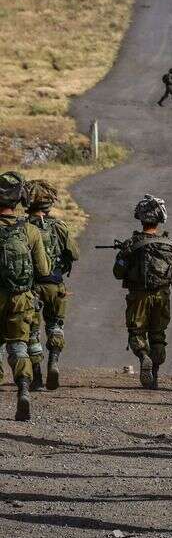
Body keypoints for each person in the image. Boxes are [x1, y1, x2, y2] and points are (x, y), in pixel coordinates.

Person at [112, 195, 172, 389]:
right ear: (160, 220)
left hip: (138, 296)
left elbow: (118, 273)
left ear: (141, 218)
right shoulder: (169, 245)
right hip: (162, 296)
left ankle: (143, 356)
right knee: (158, 334)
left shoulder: (131, 245)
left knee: (137, 332)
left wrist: (124, 255)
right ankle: (155, 374)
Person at [0, 172, 50, 421]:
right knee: (18, 345)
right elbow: (43, 270)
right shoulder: (30, 231)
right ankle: (23, 388)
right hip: (21, 299)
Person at [24, 179, 78, 392]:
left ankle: (36, 375)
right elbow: (74, 253)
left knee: (32, 332)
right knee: (55, 325)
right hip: (56, 285)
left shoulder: (24, 228)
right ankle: (54, 361)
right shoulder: (59, 226)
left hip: (31, 288)